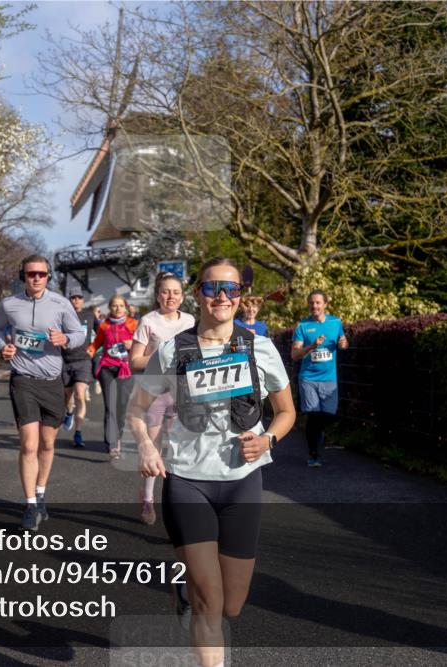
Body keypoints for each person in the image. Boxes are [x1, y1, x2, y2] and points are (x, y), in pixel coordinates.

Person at [128, 257, 295, 667]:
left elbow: (287, 412)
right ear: (198, 293)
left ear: (241, 296)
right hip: (188, 480)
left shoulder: (259, 347)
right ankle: (196, 602)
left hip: (242, 480)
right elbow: (135, 409)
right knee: (210, 601)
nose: (222, 296)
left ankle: (183, 591)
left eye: (231, 289)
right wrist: (148, 448)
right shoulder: (173, 349)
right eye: (212, 288)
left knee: (232, 605)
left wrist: (268, 438)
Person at [0, 255, 86, 531]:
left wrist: (65, 339)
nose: (36, 278)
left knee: (46, 444)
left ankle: (41, 493)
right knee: (29, 445)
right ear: (23, 276)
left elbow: (79, 333)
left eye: (42, 274)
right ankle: (30, 505)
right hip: (23, 380)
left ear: (48, 276)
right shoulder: (9, 304)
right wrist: (1, 346)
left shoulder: (60, 304)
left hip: (52, 381)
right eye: (31, 274)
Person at [129, 272, 195, 525]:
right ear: (158, 295)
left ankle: (183, 502)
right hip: (155, 392)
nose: (171, 296)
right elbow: (134, 360)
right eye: (166, 291)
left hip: (185, 391)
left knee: (182, 447)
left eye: (176, 292)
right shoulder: (148, 321)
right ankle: (147, 498)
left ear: (182, 296)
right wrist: (164, 359)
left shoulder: (190, 321)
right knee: (154, 447)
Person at [290, 289, 349, 467]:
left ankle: (317, 433)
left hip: (329, 378)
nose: (314, 306)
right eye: (311, 303)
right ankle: (313, 455)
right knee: (313, 415)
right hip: (308, 378)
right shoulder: (303, 326)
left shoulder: (335, 322)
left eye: (317, 302)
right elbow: (294, 354)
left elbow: (344, 341)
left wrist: (343, 344)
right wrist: (311, 346)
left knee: (329, 415)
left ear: (325, 304)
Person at [88, 295, 138, 459]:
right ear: (110, 308)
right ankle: (112, 442)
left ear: (126, 307)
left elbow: (143, 344)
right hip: (107, 368)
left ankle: (119, 436)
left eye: (121, 306)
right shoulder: (104, 325)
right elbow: (97, 344)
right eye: (114, 306)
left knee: (122, 406)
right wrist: (88, 351)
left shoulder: (133, 324)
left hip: (125, 368)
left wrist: (133, 344)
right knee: (110, 406)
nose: (118, 309)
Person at [62, 293, 97, 448]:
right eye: (73, 298)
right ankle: (69, 412)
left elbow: (102, 333)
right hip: (65, 360)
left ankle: (78, 431)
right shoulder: (63, 314)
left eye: (79, 297)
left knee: (80, 395)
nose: (76, 300)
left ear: (83, 300)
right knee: (67, 396)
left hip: (83, 360)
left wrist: (94, 348)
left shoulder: (89, 315)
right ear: (69, 300)